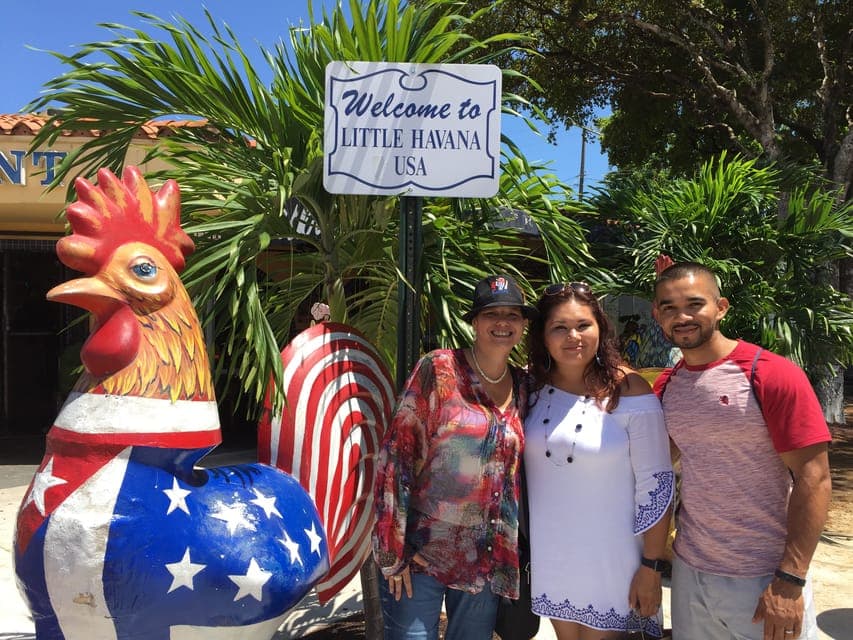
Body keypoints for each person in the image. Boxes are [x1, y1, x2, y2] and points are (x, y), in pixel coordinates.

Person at [652, 261, 832, 640]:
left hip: (764, 578)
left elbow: (814, 478)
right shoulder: (668, 386)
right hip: (689, 573)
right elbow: (657, 467)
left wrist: (790, 577)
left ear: (721, 307)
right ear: (657, 315)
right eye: (668, 306)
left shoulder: (769, 374)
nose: (681, 316)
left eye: (694, 304)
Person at [373, 274, 537, 640]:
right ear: (474, 322)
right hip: (419, 557)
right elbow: (396, 457)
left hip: (484, 563)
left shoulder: (525, 386)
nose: (502, 323)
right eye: (492, 314)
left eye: (512, 315)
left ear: (523, 326)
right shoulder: (439, 369)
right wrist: (391, 550)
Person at [524, 282, 674, 639]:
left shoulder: (631, 391)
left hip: (614, 561)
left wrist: (651, 567)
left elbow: (657, 487)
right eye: (559, 327)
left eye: (583, 325)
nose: (572, 336)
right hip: (553, 557)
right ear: (543, 336)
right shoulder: (530, 388)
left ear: (600, 329)